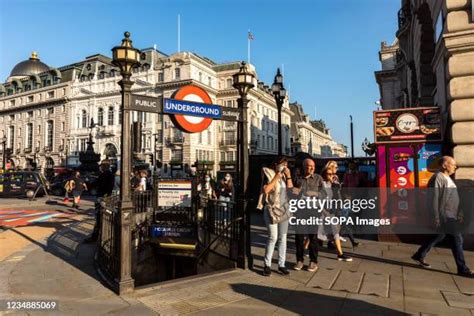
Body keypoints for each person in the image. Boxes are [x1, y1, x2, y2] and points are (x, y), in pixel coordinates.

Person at [411, 156, 473, 278]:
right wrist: (436, 217)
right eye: (453, 164)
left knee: (439, 235)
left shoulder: (447, 178)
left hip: (450, 214)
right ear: (445, 165)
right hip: (445, 215)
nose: (455, 167)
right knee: (457, 239)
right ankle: (462, 269)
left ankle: (419, 255)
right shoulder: (438, 178)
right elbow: (433, 199)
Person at [257, 157, 293, 276]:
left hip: (283, 209)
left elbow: (291, 190)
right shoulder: (269, 173)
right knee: (273, 237)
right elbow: (266, 189)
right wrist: (276, 177)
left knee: (283, 238)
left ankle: (281, 265)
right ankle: (267, 265)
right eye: (282, 164)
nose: (284, 166)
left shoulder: (284, 176)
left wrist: (288, 176)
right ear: (276, 164)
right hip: (271, 209)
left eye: (286, 164)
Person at [292, 158, 323, 272]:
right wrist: (297, 191)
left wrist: (314, 193)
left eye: (313, 166)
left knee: (313, 237)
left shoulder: (318, 178)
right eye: (309, 166)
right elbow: (293, 194)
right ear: (304, 167)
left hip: (313, 210)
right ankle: (299, 260)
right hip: (300, 211)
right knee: (299, 237)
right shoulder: (298, 179)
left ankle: (313, 261)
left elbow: (324, 194)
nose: (311, 168)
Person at [318, 160, 352, 262]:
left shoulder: (334, 183)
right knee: (315, 233)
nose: (333, 174)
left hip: (330, 211)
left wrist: (336, 185)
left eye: (334, 172)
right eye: (330, 173)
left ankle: (340, 254)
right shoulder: (321, 183)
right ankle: (304, 250)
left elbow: (337, 196)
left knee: (335, 231)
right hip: (321, 211)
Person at [84, 161, 115, 243]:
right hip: (106, 197)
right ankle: (102, 236)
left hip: (101, 197)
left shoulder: (104, 174)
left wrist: (87, 181)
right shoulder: (110, 174)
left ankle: (95, 237)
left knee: (98, 217)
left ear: (104, 166)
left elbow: (96, 184)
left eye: (101, 166)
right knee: (103, 217)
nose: (100, 167)